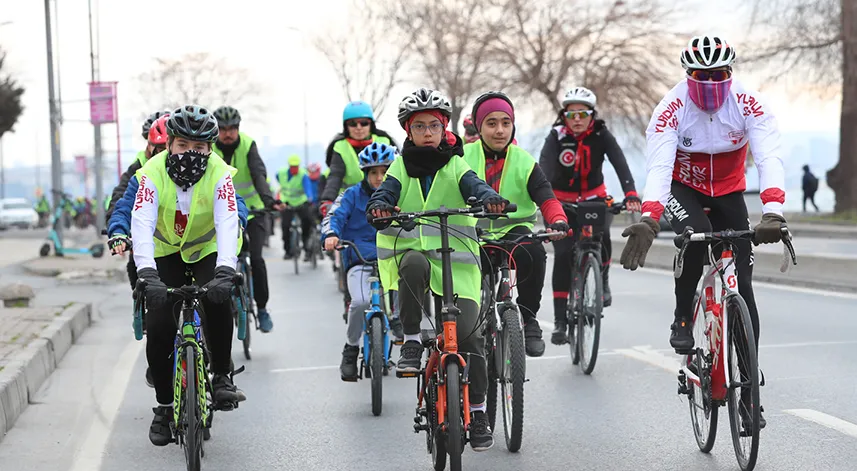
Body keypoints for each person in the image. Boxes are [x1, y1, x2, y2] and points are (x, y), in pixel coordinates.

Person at [619, 35, 788, 428]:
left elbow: (768, 156)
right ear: (688, 76)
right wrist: (649, 217)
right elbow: (660, 166)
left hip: (730, 191)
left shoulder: (749, 103)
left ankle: (748, 395)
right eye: (701, 75)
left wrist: (774, 212)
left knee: (743, 288)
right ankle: (682, 316)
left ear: (731, 75)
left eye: (719, 75)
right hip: (685, 188)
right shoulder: (671, 107)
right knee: (696, 235)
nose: (711, 84)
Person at [367, 88, 507, 451]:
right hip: (415, 254)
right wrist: (381, 207)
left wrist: (488, 198)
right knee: (411, 265)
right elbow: (387, 192)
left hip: (457, 263)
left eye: (434, 125)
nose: (427, 133)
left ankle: (477, 414)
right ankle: (411, 340)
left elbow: (473, 185)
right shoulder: (400, 166)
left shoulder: (455, 162)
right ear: (408, 132)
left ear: (444, 128)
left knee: (470, 337)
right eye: (419, 127)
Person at [130, 104, 247, 446]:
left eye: (199, 148)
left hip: (207, 248)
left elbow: (227, 221)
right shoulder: (152, 173)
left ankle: (223, 375)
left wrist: (226, 269)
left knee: (218, 300)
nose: (191, 153)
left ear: (210, 148)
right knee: (161, 325)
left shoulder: (220, 173)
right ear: (169, 145)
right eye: (182, 146)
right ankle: (164, 407)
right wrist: (147, 273)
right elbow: (142, 223)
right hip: (165, 252)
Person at [462, 91, 569, 358]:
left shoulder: (524, 161)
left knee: (534, 252)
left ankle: (529, 319)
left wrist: (558, 220)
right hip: (471, 233)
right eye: (491, 123)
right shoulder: (461, 158)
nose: (500, 130)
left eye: (505, 123)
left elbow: (546, 196)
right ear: (478, 126)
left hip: (513, 232)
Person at [539, 86, 641, 344]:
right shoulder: (555, 137)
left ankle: (603, 279)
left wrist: (630, 194)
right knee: (562, 255)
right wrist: (544, 201)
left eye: (582, 114)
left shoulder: (601, 134)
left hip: (595, 198)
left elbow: (619, 162)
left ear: (592, 115)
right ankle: (560, 323)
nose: (576, 120)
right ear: (564, 116)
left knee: (602, 235)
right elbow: (544, 170)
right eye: (571, 114)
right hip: (562, 202)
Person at [322, 142, 403, 381]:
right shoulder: (351, 195)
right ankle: (351, 348)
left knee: (407, 279)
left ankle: (397, 319)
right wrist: (331, 235)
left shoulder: (402, 193)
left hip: (391, 255)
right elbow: (333, 216)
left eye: (385, 172)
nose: (379, 178)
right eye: (373, 172)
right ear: (365, 173)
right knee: (359, 302)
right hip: (359, 258)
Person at [212, 105, 283, 333]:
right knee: (222, 261)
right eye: (223, 129)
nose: (228, 133)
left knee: (257, 259)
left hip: (253, 211)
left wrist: (269, 201)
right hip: (222, 214)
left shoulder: (248, 145)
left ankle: (262, 309)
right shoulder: (209, 147)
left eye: (232, 128)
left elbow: (258, 174)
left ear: (238, 128)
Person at [319, 101, 397, 216]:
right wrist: (328, 200)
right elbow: (335, 176)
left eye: (364, 123)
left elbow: (399, 172)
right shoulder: (340, 146)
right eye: (352, 124)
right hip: (351, 203)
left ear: (371, 124)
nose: (359, 128)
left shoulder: (385, 141)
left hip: (383, 200)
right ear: (346, 126)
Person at [278, 155, 316, 260]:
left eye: (296, 166)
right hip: (286, 202)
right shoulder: (281, 173)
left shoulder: (303, 175)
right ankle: (288, 251)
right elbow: (278, 182)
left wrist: (309, 199)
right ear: (289, 166)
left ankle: (307, 248)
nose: (294, 168)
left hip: (301, 202)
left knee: (307, 222)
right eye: (292, 166)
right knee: (285, 226)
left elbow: (308, 188)